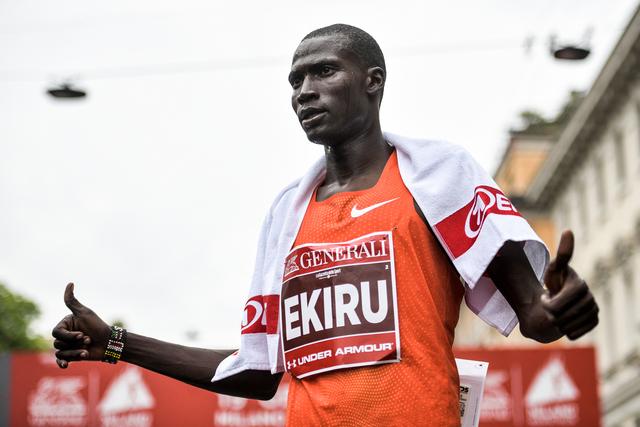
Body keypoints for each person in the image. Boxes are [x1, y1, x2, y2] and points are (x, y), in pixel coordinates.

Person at [52, 24, 599, 426]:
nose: (304, 90)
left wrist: (557, 307)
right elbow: (257, 372)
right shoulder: (286, 216)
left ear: (373, 81)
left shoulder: (440, 179)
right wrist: (116, 343)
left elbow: (536, 317)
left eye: (324, 71)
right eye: (295, 80)